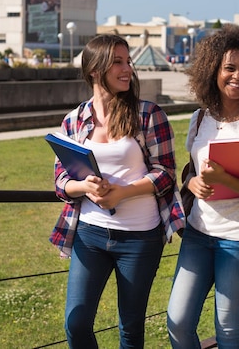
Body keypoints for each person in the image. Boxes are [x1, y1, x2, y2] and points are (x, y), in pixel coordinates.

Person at [48, 34, 186, 348]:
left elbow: (165, 174)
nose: (127, 69)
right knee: (76, 322)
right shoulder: (73, 121)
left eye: (128, 62)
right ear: (95, 70)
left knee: (130, 328)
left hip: (140, 237)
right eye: (118, 62)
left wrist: (122, 192)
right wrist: (85, 186)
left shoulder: (149, 114)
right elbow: (61, 182)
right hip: (90, 234)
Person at [167, 25, 239, 348]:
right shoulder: (199, 118)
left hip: (238, 239)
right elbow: (190, 171)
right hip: (197, 234)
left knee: (228, 329)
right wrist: (191, 181)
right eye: (229, 68)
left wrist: (225, 179)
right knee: (178, 322)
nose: (237, 77)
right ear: (213, 70)